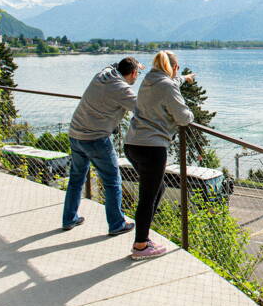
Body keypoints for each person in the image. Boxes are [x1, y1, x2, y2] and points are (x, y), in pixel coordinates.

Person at [124, 51, 195, 260]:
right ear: (172, 67)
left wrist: (186, 79)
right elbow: (183, 118)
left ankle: (144, 235)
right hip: (152, 148)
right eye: (178, 68)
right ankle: (140, 246)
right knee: (147, 197)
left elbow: (173, 82)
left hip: (132, 144)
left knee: (158, 188)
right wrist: (189, 113)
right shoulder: (167, 85)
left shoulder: (149, 79)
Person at [62, 57, 144, 235]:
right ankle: (116, 224)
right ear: (133, 74)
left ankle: (69, 218)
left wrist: (135, 65)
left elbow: (116, 65)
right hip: (96, 138)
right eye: (137, 73)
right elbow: (144, 108)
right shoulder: (122, 90)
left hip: (75, 133)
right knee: (113, 181)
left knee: (76, 178)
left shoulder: (105, 74)